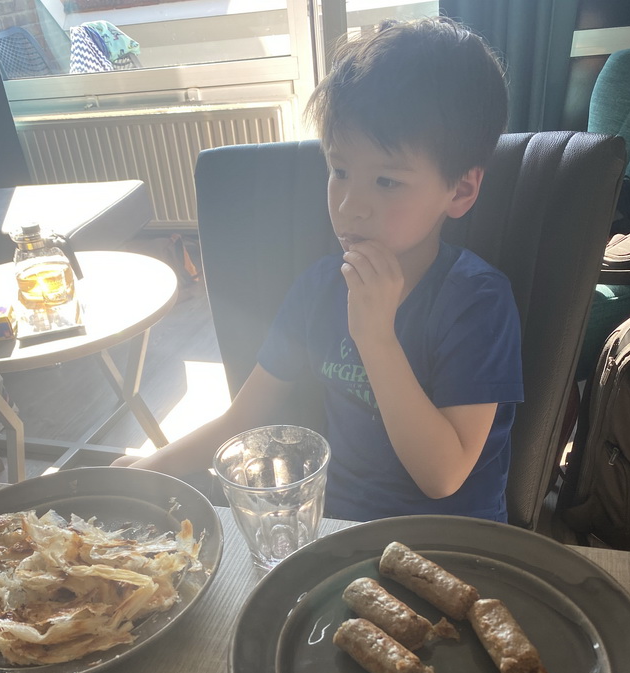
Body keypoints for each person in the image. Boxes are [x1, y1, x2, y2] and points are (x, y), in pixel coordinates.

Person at [113, 17, 523, 523]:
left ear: (459, 191)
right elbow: (244, 418)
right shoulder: (320, 288)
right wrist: (150, 468)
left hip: (452, 542)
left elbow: (442, 476)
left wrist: (376, 339)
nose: (350, 206)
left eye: (387, 182)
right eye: (340, 171)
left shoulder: (477, 302)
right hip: (339, 527)